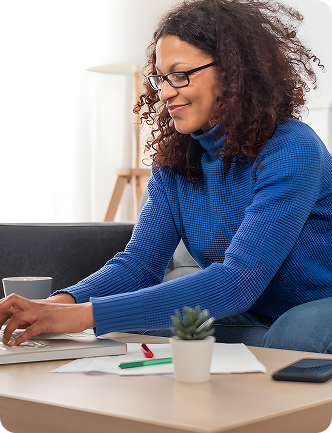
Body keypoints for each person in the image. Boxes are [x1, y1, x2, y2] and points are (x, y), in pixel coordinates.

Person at [1, 0, 331, 353]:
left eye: (180, 74)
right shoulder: (176, 160)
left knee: (293, 337)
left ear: (234, 74)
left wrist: (85, 315)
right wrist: (58, 305)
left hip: (316, 306)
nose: (166, 92)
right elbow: (139, 264)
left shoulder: (292, 148)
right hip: (253, 314)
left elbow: (238, 281)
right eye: (160, 77)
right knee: (133, 331)